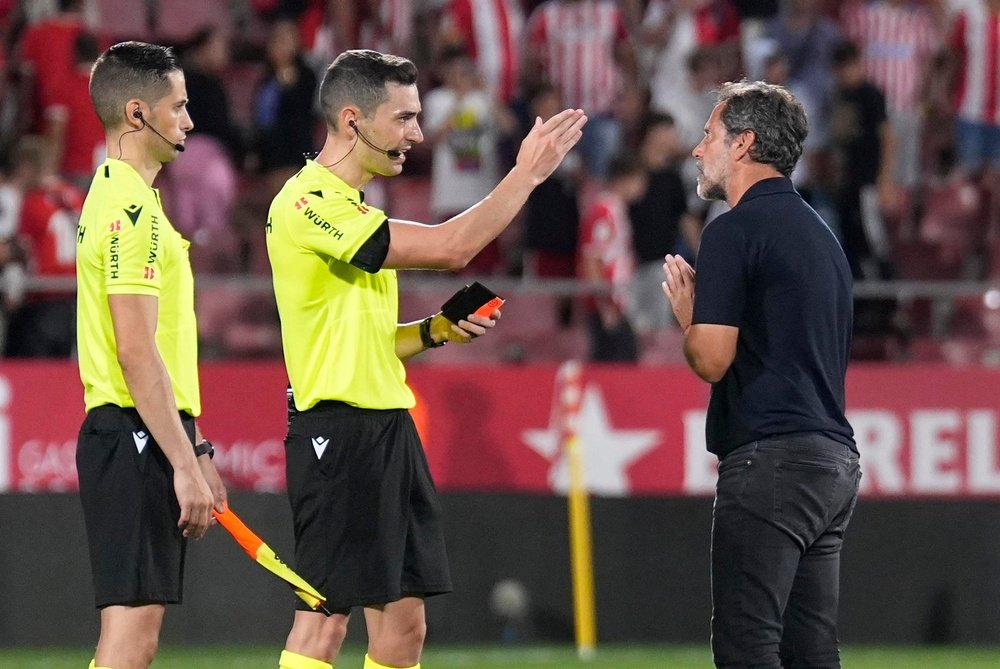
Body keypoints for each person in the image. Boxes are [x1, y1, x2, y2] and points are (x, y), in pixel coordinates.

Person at [265, 49, 585, 669]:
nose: (418, 132)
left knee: (405, 629)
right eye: (405, 117)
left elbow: (372, 340)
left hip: (388, 426)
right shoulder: (307, 203)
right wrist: (526, 175)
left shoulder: (360, 211)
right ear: (353, 120)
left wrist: (437, 330)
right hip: (335, 431)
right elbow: (451, 248)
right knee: (322, 625)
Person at [661, 80, 860, 667]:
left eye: (708, 135)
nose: (697, 150)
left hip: (771, 460)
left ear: (743, 143)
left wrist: (690, 319)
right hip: (832, 464)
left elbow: (712, 359)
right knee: (812, 653)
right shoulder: (823, 236)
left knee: (747, 647)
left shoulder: (732, 229)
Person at [74, 41, 227, 669]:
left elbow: (156, 348)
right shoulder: (128, 208)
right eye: (179, 107)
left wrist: (195, 447)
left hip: (145, 433)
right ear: (137, 113)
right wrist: (183, 462)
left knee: (133, 639)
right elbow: (135, 351)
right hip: (131, 434)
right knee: (131, 642)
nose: (189, 120)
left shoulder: (126, 198)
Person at [577, 151, 646, 362]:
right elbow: (591, 258)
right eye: (640, 180)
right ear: (624, 180)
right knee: (615, 360)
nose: (642, 187)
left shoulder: (616, 210)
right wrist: (605, 305)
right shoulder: (603, 210)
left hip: (617, 301)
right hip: (607, 304)